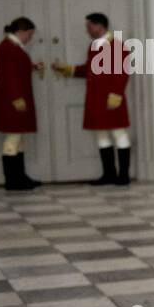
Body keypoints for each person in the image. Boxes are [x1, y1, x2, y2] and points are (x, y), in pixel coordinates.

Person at [52, 13, 134, 185]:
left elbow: (122, 73)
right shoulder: (94, 46)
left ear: (100, 26)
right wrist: (66, 69)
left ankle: (123, 176)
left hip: (111, 98)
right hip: (96, 99)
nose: (87, 30)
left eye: (89, 26)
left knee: (119, 134)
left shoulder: (117, 46)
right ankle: (109, 174)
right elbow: (89, 69)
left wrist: (116, 95)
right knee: (101, 135)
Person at [0, 16, 43, 190]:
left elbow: (15, 68)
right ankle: (12, 180)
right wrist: (16, 98)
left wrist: (32, 66)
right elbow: (8, 76)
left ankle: (20, 177)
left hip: (14, 98)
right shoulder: (8, 48)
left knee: (19, 138)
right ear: (20, 32)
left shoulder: (12, 48)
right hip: (11, 100)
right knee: (12, 139)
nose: (30, 38)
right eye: (29, 34)